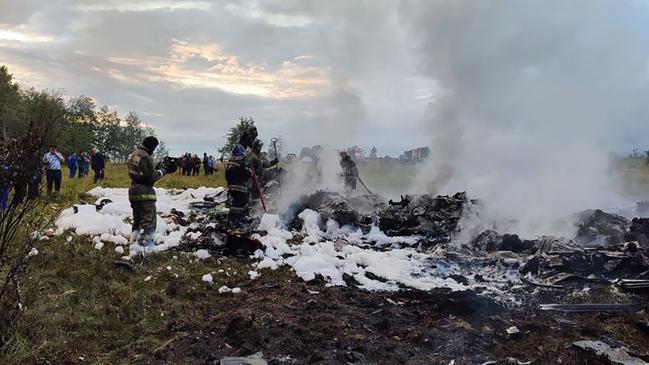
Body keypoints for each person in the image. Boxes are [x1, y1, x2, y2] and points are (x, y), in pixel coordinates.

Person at [127, 136, 177, 249]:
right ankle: (144, 246)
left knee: (137, 219)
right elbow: (151, 177)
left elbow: (142, 172)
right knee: (148, 221)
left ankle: (133, 242)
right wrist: (164, 170)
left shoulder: (133, 154)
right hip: (144, 193)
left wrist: (156, 168)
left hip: (133, 191)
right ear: (152, 146)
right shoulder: (146, 157)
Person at [226, 144, 251, 226]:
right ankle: (238, 219)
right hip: (240, 188)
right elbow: (245, 175)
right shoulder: (241, 164)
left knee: (235, 204)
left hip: (232, 188)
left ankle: (233, 219)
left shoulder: (229, 164)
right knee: (241, 204)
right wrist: (249, 172)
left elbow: (226, 177)